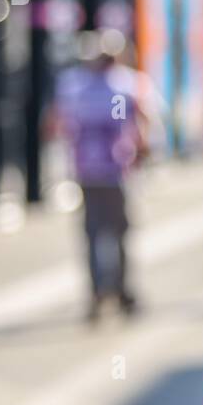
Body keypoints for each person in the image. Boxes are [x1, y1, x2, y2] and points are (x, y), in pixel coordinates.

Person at [52, 34, 149, 322]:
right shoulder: (127, 83)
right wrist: (142, 153)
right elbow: (143, 122)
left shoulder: (72, 85)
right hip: (115, 170)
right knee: (119, 232)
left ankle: (97, 292)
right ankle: (120, 291)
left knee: (93, 233)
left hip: (86, 171)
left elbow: (55, 124)